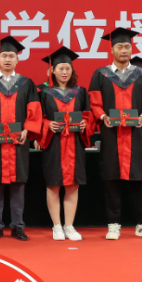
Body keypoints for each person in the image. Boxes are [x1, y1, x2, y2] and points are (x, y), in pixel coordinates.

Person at [88, 28, 142, 240]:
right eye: (119, 46)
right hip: (111, 134)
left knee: (140, 178)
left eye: (127, 46)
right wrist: (103, 117)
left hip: (136, 134)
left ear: (132, 49)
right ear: (111, 50)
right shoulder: (100, 74)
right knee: (111, 178)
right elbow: (94, 103)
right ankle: (113, 224)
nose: (124, 50)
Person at [0, 35, 42, 240]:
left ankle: (17, 225)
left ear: (17, 59)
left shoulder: (26, 84)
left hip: (18, 143)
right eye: (4, 55)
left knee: (18, 185)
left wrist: (27, 130)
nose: (7, 59)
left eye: (11, 56)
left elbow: (34, 111)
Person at [38, 47, 92, 241]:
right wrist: (47, 124)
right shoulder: (43, 92)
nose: (64, 72)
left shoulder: (80, 92)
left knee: (73, 185)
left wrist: (85, 124)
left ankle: (69, 226)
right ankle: (57, 226)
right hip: (54, 143)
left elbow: (88, 115)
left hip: (75, 143)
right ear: (52, 70)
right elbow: (36, 117)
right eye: (60, 68)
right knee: (54, 185)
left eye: (67, 68)